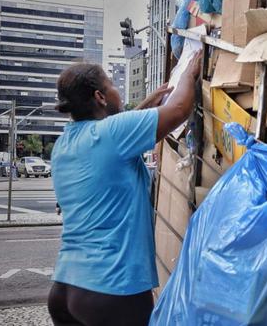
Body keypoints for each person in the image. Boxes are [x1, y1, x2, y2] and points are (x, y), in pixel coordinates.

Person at [47, 50, 202, 326]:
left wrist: (144, 106)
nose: (117, 92)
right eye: (112, 86)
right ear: (100, 97)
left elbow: (111, 142)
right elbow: (179, 109)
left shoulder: (64, 145)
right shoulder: (113, 135)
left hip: (65, 289)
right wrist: (190, 69)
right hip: (112, 290)